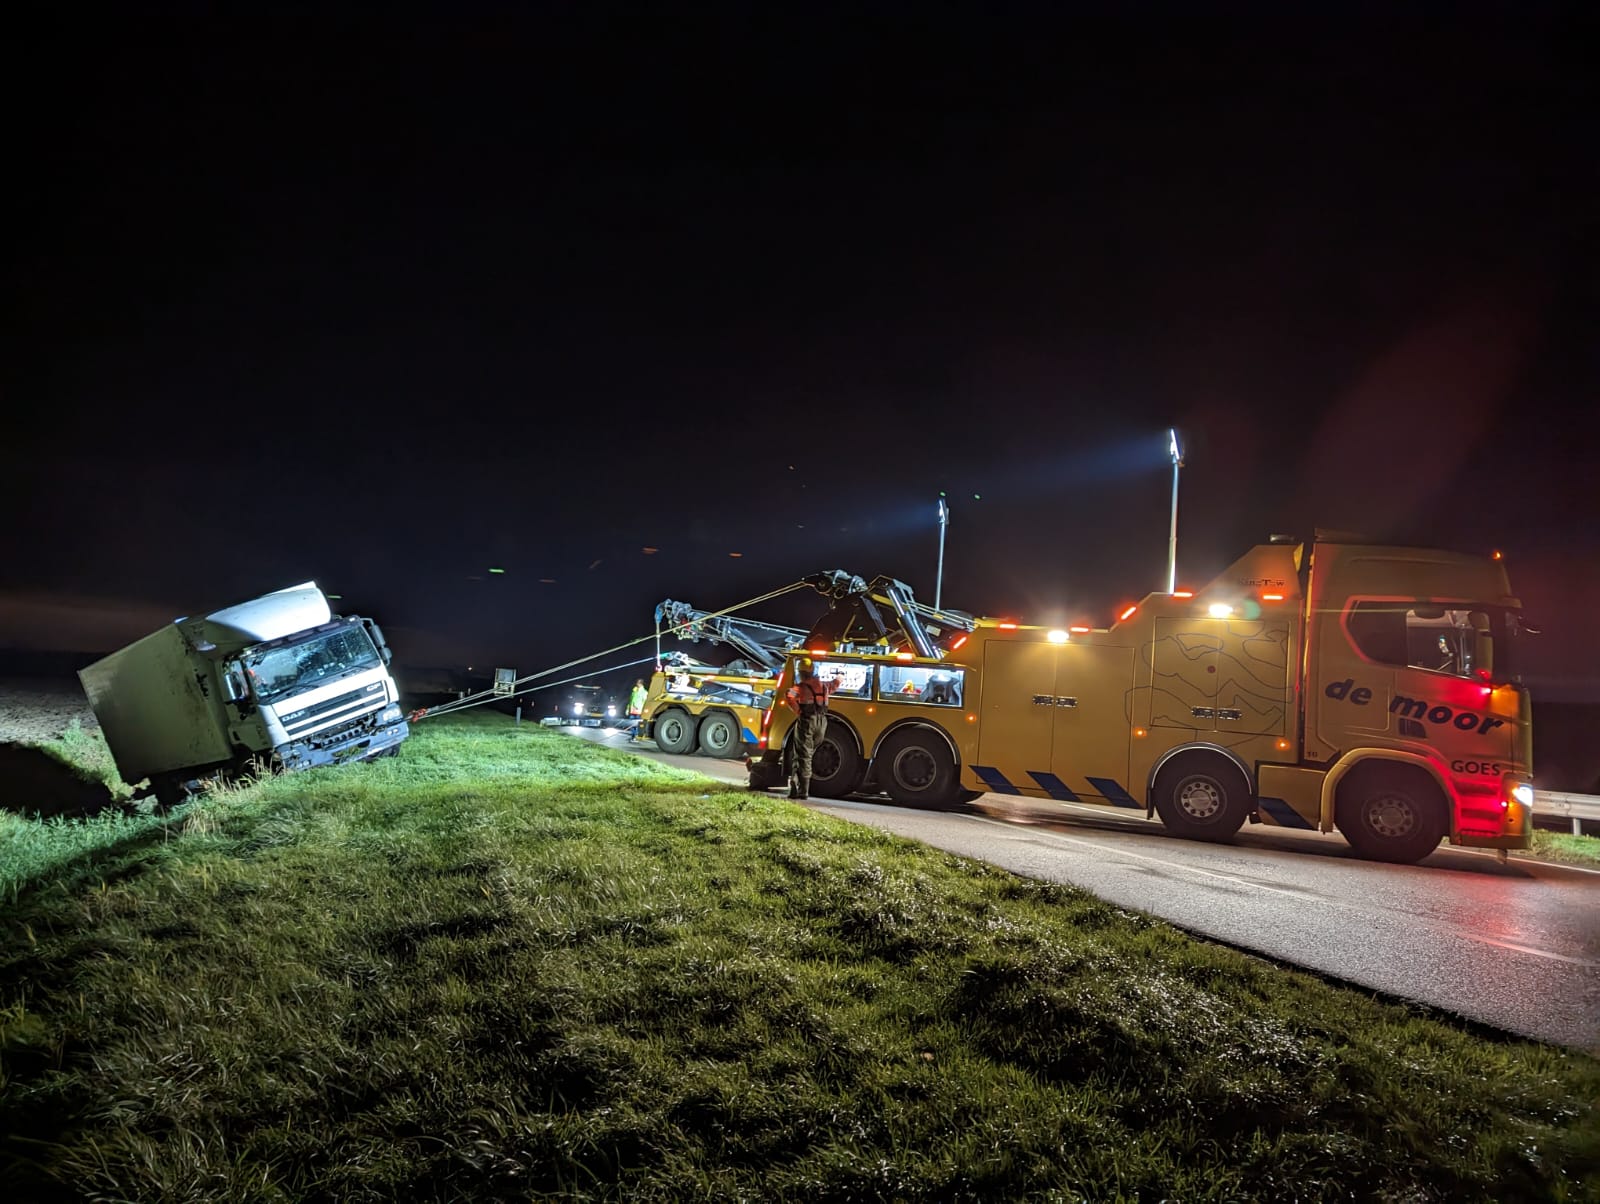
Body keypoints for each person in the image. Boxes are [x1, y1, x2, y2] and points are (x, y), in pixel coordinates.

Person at [786, 658, 841, 800]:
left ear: (801, 672)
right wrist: (840, 677)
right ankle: (796, 783)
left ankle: (801, 789)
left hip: (807, 721)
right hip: (822, 722)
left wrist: (798, 711)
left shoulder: (801, 687)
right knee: (808, 753)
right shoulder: (824, 686)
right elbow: (835, 684)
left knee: (804, 755)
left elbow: (789, 695)